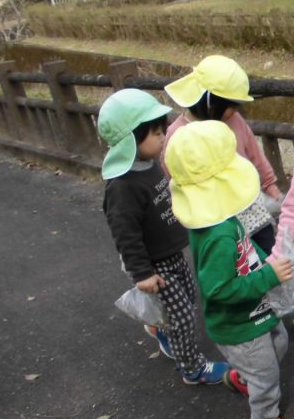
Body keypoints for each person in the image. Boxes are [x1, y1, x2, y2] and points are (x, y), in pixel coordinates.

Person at [164, 119, 294, 419]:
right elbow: (219, 290)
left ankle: (243, 377)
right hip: (238, 325)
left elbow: (246, 251)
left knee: (279, 341)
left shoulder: (222, 220)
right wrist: (268, 277)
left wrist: (266, 261)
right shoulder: (217, 236)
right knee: (267, 376)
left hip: (255, 310)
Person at [98, 88, 236, 385]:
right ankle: (192, 368)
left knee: (188, 298)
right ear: (131, 139)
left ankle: (161, 326)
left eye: (163, 130)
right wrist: (141, 273)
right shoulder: (122, 187)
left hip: (172, 253)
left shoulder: (149, 165)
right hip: (153, 266)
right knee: (184, 316)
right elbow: (125, 234)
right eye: (157, 132)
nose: (164, 137)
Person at [161, 55, 283, 257]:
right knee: (233, 261)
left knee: (267, 251)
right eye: (231, 106)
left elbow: (254, 152)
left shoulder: (234, 120)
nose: (234, 111)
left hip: (250, 205)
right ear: (210, 102)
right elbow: (175, 176)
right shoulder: (178, 134)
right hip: (214, 217)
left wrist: (269, 183)